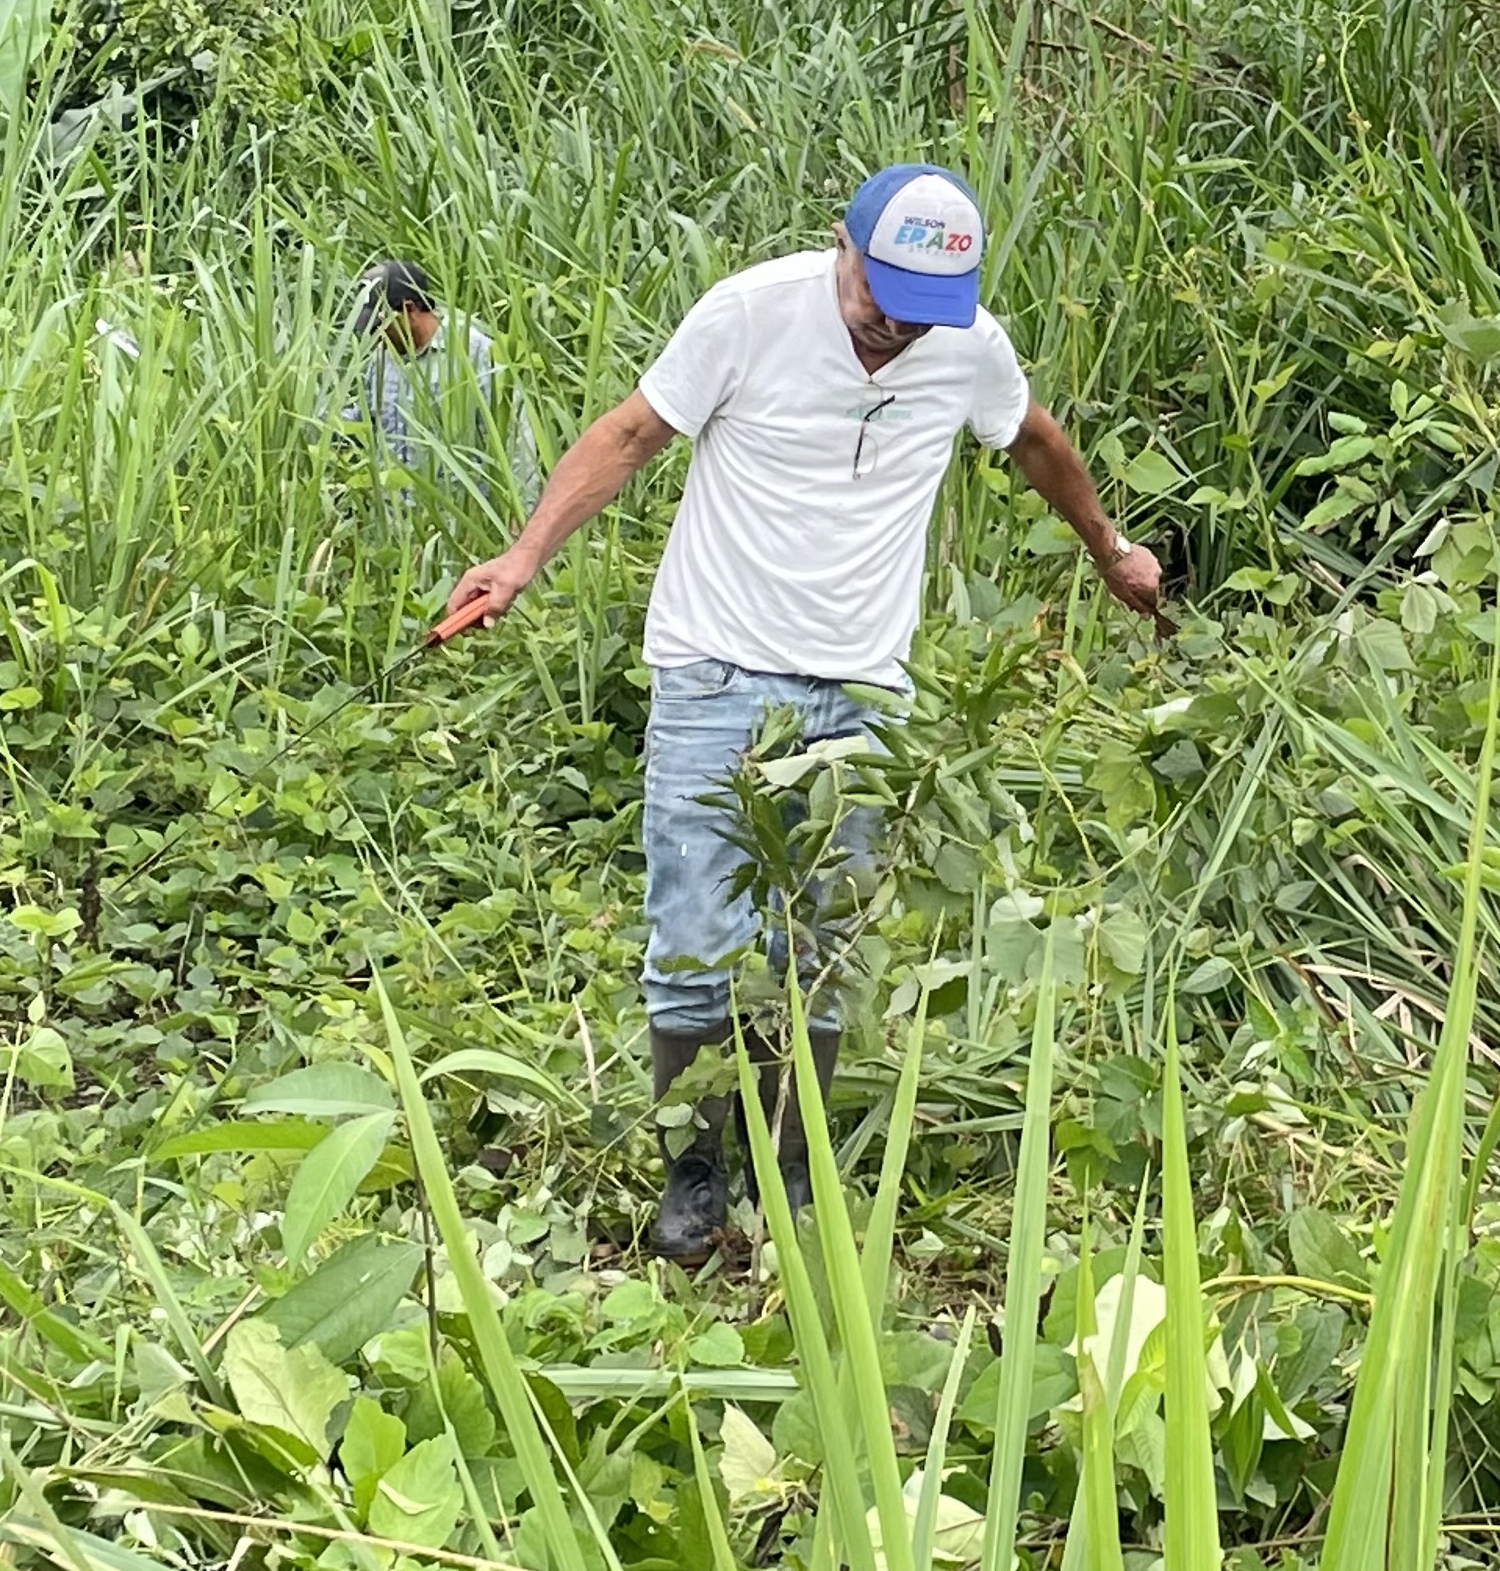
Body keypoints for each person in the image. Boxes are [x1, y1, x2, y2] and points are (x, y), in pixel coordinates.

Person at [442, 166, 1165, 1262]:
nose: (897, 333)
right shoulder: (751, 312)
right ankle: (694, 1175)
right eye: (882, 303)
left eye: (921, 317)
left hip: (864, 687)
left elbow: (1034, 440)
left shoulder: (968, 345)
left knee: (822, 939)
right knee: (697, 937)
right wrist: (523, 558)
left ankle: (790, 1163)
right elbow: (629, 434)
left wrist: (1110, 551)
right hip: (716, 671)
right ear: (845, 246)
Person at [343, 258, 543, 514]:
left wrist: (521, 517)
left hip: (460, 523)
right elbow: (367, 423)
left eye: (380, 326)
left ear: (409, 309)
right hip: (396, 523)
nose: (375, 336)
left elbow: (516, 442)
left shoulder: (474, 354)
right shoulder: (381, 360)